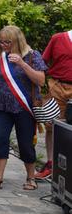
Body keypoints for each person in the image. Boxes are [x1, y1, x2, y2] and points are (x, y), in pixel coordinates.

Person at [0, 26, 46, 191]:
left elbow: (41, 80)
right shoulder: (1, 57)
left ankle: (31, 177)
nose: (3, 45)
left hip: (24, 106)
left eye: (7, 42)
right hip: (2, 105)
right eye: (1, 42)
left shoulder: (33, 56)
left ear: (18, 41)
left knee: (25, 143)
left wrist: (22, 64)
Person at [38, 29, 72, 179]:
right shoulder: (58, 38)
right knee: (52, 126)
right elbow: (42, 62)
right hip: (57, 86)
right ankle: (51, 164)